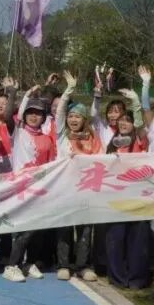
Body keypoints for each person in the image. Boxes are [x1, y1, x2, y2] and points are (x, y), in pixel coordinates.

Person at [2, 95, 57, 282]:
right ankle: (12, 265)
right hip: (20, 188)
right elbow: (8, 116)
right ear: (24, 115)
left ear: (44, 117)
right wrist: (14, 92)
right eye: (30, 113)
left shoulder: (47, 140)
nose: (34, 117)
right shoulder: (17, 133)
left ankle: (29, 262)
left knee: (38, 229)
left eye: (38, 114)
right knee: (24, 229)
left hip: (40, 189)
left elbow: (51, 165)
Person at [54, 70, 101, 282]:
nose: (73, 119)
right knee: (64, 228)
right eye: (71, 116)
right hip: (64, 189)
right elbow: (59, 113)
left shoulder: (93, 138)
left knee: (85, 230)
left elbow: (101, 161)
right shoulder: (61, 135)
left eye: (78, 116)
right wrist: (69, 89)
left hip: (86, 190)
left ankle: (83, 265)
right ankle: (64, 264)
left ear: (84, 119)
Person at [104, 106, 153, 290]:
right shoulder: (111, 143)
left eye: (128, 120)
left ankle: (137, 278)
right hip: (115, 197)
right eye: (121, 120)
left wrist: (136, 101)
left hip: (139, 196)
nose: (124, 124)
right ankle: (117, 277)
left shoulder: (140, 141)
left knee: (138, 239)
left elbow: (142, 126)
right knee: (115, 238)